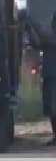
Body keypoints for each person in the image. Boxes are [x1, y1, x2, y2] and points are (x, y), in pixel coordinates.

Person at [27, 13, 56, 146]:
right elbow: (37, 44)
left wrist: (29, 17)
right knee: (50, 107)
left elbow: (44, 36)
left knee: (53, 106)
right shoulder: (50, 37)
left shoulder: (51, 36)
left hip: (52, 76)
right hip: (49, 76)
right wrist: (28, 29)